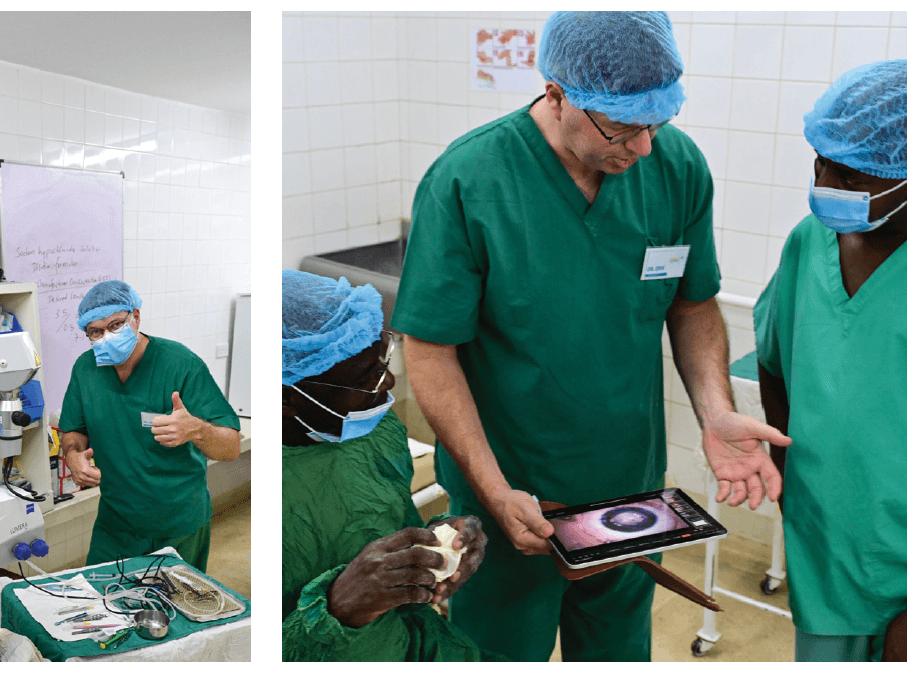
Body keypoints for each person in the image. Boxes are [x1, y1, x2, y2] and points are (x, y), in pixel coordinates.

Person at [391, 11, 791, 661]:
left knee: (616, 653)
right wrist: (493, 489)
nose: (643, 150)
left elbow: (692, 307)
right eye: (623, 129)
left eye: (657, 124)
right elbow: (431, 350)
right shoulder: (470, 180)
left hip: (628, 495)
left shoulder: (676, 167)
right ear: (556, 94)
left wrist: (717, 414)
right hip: (511, 498)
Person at [755, 59, 906, 663]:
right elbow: (773, 360)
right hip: (827, 541)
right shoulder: (808, 241)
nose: (825, 184)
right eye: (820, 163)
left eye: (849, 174)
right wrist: (786, 473)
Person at [281, 270, 496, 661]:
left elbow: (385, 521)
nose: (389, 383)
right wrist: (340, 608)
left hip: (413, 644)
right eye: (368, 379)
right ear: (284, 400)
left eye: (383, 363)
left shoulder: (375, 429)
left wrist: (439, 544)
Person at [59, 280, 241, 570]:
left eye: (116, 325)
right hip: (115, 523)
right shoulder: (86, 368)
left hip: (177, 523)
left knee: (173, 608)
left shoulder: (181, 364)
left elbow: (230, 447)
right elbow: (73, 429)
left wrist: (196, 429)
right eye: (96, 331)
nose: (107, 336)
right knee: (102, 605)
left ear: (136, 317)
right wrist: (72, 454)